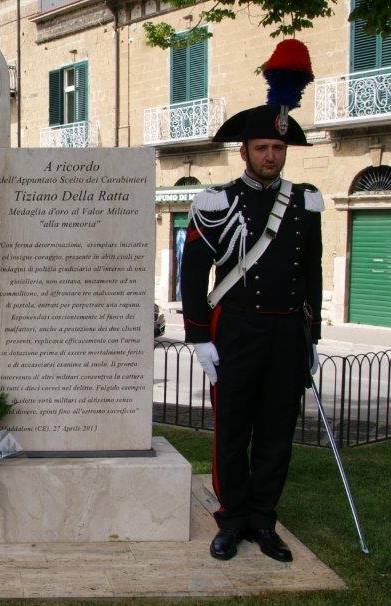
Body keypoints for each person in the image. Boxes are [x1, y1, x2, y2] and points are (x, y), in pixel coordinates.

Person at [180, 103, 323, 562]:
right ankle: (233, 517)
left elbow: (312, 272)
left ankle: (263, 519)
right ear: (243, 151)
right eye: (261, 147)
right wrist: (199, 337)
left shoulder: (304, 202)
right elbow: (192, 274)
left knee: (277, 432)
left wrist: (312, 334)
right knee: (232, 430)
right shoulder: (217, 202)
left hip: (286, 332)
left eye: (278, 147)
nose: (270, 156)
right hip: (237, 329)